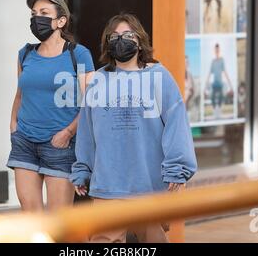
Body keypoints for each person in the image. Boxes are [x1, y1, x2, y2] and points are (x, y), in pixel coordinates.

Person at [70, 13, 197, 243]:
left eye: (128, 35)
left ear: (140, 41)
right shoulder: (98, 80)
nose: (121, 40)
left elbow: (176, 124)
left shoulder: (159, 77)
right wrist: (83, 168)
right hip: (108, 184)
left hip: (148, 185)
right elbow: (87, 130)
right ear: (107, 44)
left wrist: (177, 167)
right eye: (115, 36)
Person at [7, 0, 95, 212]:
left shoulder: (79, 54)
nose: (37, 18)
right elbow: (20, 94)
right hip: (24, 141)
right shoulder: (24, 54)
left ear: (60, 21)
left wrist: (67, 133)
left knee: (60, 223)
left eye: (44, 13)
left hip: (60, 146)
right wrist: (13, 127)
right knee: (31, 218)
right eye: (34, 13)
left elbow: (90, 103)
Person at [204, 43, 233, 119]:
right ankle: (215, 112)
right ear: (214, 50)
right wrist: (205, 87)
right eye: (216, 49)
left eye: (218, 49)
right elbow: (209, 74)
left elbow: (225, 72)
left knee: (221, 96)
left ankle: (219, 112)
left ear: (219, 50)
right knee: (212, 96)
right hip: (214, 84)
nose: (217, 51)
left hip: (220, 83)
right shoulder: (213, 61)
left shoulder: (221, 60)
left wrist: (231, 86)